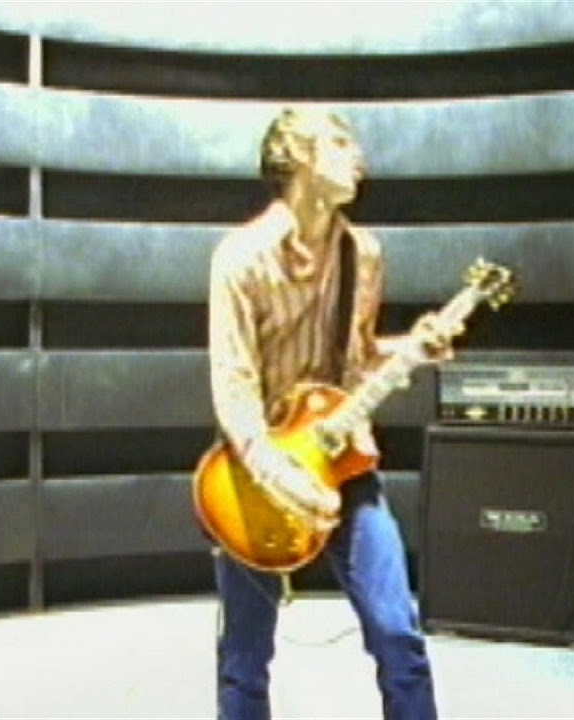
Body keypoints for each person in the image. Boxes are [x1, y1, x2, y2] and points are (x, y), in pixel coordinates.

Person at [207, 107, 453, 720]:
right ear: (298, 157)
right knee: (244, 658)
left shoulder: (363, 254)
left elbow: (357, 360)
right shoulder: (240, 258)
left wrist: (411, 349)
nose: (358, 157)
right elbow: (234, 388)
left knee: (398, 632)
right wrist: (279, 475)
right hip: (255, 475)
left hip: (342, 465)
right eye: (340, 143)